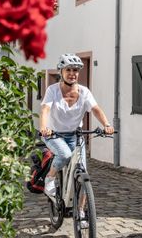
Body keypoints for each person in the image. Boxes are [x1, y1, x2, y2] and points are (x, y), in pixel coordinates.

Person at [38, 53, 114, 201]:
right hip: (54, 135)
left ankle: (81, 212)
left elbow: (95, 109)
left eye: (75, 70)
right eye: (68, 70)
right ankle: (50, 178)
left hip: (75, 136)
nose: (72, 74)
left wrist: (107, 124)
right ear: (61, 72)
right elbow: (45, 109)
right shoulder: (52, 90)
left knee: (83, 173)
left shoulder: (84, 92)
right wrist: (43, 127)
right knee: (65, 154)